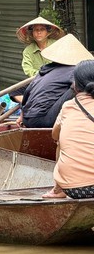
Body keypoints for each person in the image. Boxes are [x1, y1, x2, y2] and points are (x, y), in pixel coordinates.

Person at [43, 60, 94, 199]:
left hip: (73, 189)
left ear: (75, 85)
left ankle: (57, 190)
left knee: (60, 141)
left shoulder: (68, 106)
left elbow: (54, 135)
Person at [19, 34, 94, 128]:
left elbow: (27, 94)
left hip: (26, 118)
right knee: (81, 86)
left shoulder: (44, 70)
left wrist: (22, 115)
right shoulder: (73, 70)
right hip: (42, 121)